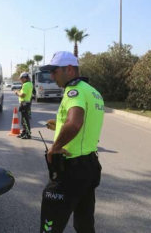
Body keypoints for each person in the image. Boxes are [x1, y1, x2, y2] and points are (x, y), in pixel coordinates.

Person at [39, 51, 104, 233]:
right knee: (84, 225)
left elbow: (75, 123)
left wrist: (55, 147)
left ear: (68, 69)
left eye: (54, 71)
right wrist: (58, 126)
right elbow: (84, 124)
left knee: (50, 225)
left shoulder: (73, 91)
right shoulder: (93, 91)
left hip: (71, 170)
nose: (52, 76)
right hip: (89, 166)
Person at [15, 72, 33, 139]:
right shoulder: (30, 84)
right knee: (24, 120)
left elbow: (23, 95)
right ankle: (24, 132)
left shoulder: (25, 85)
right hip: (27, 103)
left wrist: (17, 92)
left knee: (24, 120)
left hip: (24, 103)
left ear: (26, 78)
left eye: (22, 78)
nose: (21, 80)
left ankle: (27, 134)